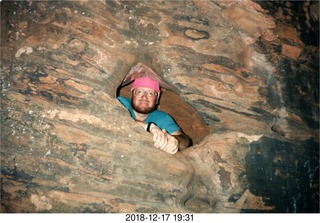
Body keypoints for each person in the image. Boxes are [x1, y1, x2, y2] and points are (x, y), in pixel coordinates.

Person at [118, 76, 192, 155]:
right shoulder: (120, 103)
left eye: (150, 94)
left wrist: (175, 141)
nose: (144, 97)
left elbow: (186, 141)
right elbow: (115, 117)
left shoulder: (163, 118)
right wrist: (149, 127)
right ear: (132, 95)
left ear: (157, 99)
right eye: (140, 92)